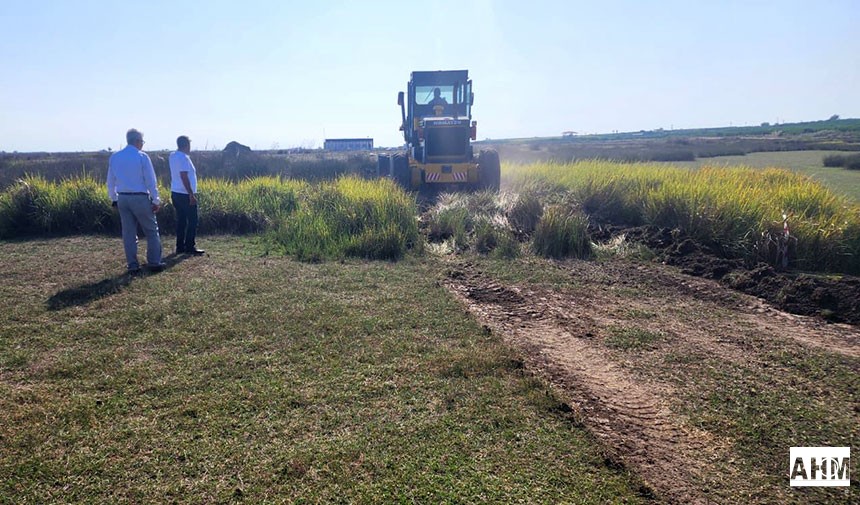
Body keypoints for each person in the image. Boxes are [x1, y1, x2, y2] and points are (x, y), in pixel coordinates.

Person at [106, 128, 165, 273]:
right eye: (142, 142)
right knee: (151, 231)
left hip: (123, 198)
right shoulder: (142, 157)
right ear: (137, 141)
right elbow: (151, 181)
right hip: (139, 197)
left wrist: (114, 198)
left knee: (129, 233)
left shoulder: (115, 157)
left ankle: (132, 264)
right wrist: (156, 200)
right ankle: (154, 261)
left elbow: (110, 181)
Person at [169, 135, 204, 255]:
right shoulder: (183, 158)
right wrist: (191, 194)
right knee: (193, 220)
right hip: (184, 194)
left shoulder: (173, 156)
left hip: (175, 192)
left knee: (181, 220)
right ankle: (189, 246)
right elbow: (184, 176)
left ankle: (180, 246)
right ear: (187, 145)